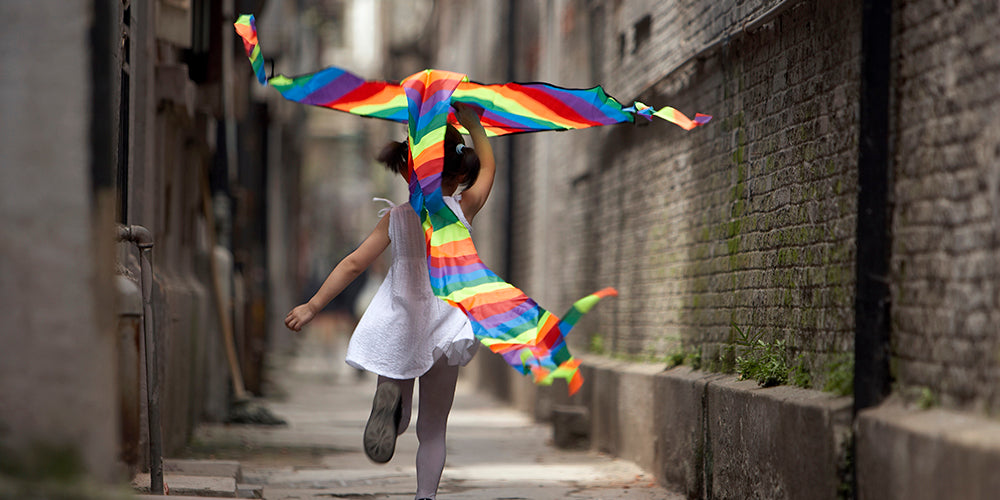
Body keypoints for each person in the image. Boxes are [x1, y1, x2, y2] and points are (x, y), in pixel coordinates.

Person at [284, 103, 495, 500]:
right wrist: (474, 125)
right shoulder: (462, 209)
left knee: (399, 419)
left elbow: (354, 263)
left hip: (400, 319)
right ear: (460, 174)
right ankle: (425, 496)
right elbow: (489, 171)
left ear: (408, 170)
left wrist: (312, 306)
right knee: (433, 429)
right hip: (445, 324)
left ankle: (391, 409)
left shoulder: (397, 218)